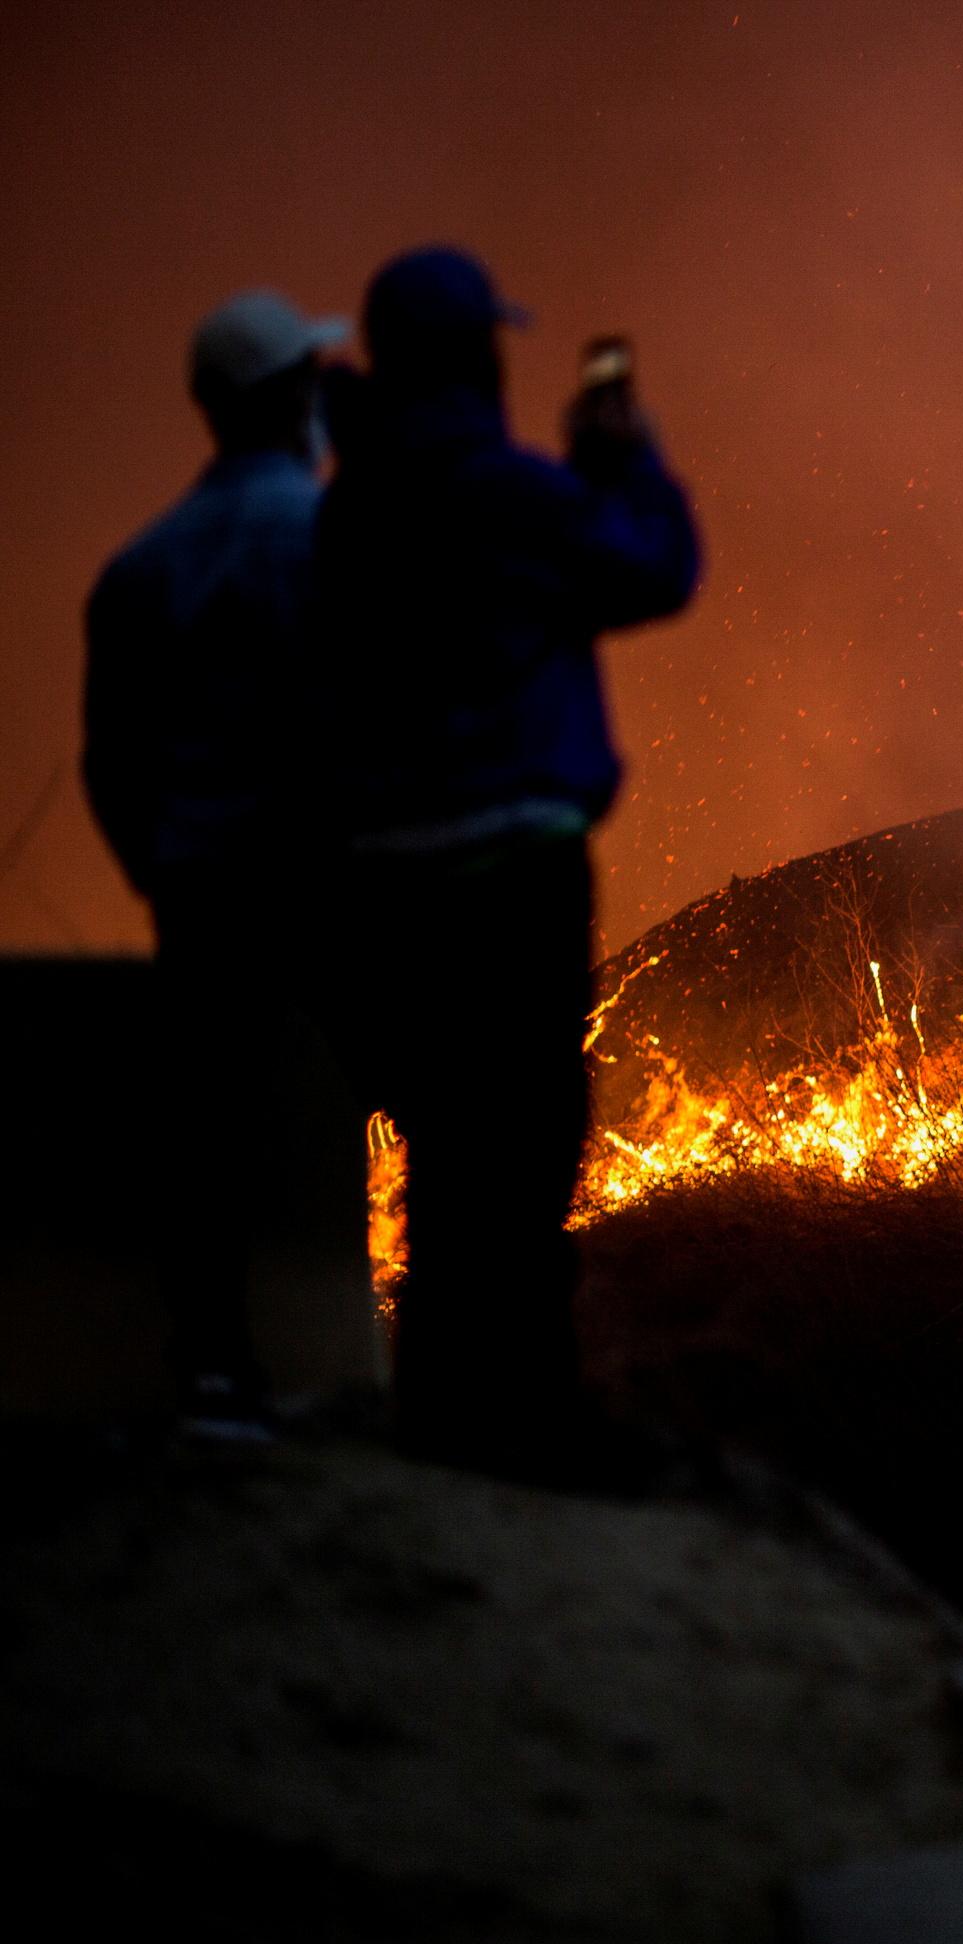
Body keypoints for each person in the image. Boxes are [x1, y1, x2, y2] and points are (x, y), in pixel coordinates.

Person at [312, 246, 701, 1481]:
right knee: (525, 1152)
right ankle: (536, 1425)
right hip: (513, 880)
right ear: (480, 353)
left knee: (441, 1158)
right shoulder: (509, 495)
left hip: (388, 889)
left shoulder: (349, 509)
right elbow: (651, 568)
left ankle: (433, 1419)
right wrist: (617, 455)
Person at [82, 286, 353, 1436]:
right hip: (331, 882)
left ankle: (215, 1376)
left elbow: (110, 766)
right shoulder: (346, 544)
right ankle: (425, 1357)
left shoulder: (141, 568)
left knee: (210, 1131)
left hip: (201, 888)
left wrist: (167, 864)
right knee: (417, 1102)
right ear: (295, 397)